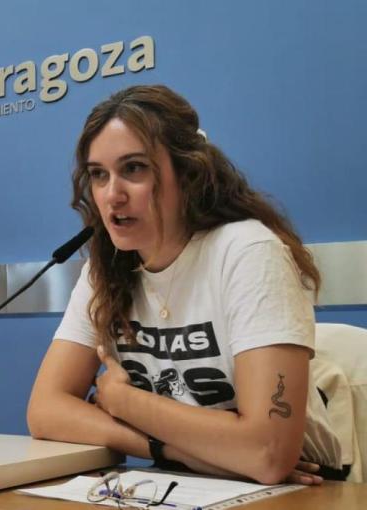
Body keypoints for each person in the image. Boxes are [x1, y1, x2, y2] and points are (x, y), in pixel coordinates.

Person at [26, 85, 330, 485]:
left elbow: (268, 454)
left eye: (134, 168)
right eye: (99, 175)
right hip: (188, 483)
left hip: (308, 491)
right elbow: (45, 410)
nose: (112, 195)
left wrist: (125, 401)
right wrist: (166, 449)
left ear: (188, 173)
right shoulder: (105, 268)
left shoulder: (248, 251)